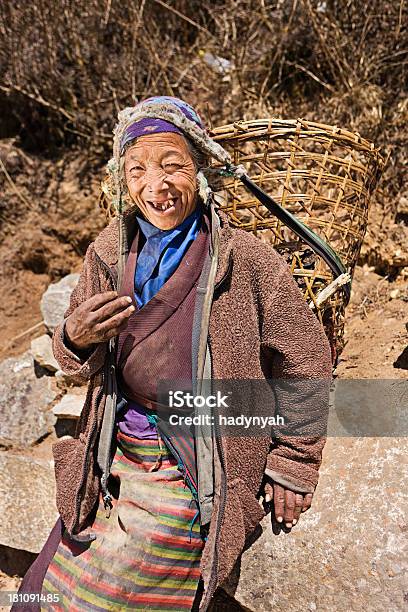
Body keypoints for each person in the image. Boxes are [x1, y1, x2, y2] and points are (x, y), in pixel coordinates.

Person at [16, 96, 332, 611]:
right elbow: (77, 364)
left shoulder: (242, 257)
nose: (155, 186)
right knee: (43, 587)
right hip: (117, 442)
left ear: (200, 172)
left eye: (172, 166)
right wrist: (74, 336)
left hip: (195, 449)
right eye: (137, 169)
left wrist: (293, 462)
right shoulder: (109, 249)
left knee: (116, 586)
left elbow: (305, 357)